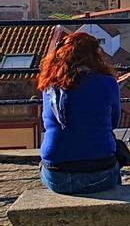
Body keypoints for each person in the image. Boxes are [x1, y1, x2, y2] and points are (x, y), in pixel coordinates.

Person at [38, 31, 123, 195]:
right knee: (116, 156)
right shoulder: (107, 83)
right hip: (100, 173)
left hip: (57, 177)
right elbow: (114, 123)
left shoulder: (49, 86)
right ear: (95, 56)